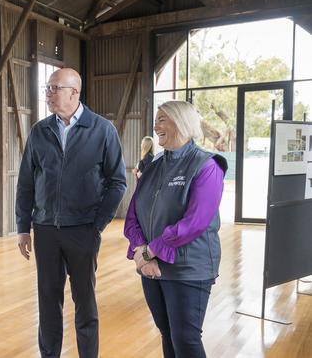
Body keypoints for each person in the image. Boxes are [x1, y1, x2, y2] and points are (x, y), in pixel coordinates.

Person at [16, 68, 127, 358]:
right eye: (48, 88)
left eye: (54, 88)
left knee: (85, 302)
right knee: (48, 301)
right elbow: (26, 181)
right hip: (45, 229)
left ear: (74, 92)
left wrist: (97, 225)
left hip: (83, 229)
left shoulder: (102, 130)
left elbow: (118, 182)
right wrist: (22, 227)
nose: (48, 93)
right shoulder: (40, 131)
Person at [123, 100, 227, 358]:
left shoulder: (206, 166)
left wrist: (149, 252)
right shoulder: (154, 166)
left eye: (162, 119)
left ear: (182, 122)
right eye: (156, 119)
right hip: (151, 265)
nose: (156, 126)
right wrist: (140, 250)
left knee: (186, 339)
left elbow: (194, 223)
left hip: (188, 267)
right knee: (167, 333)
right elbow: (133, 214)